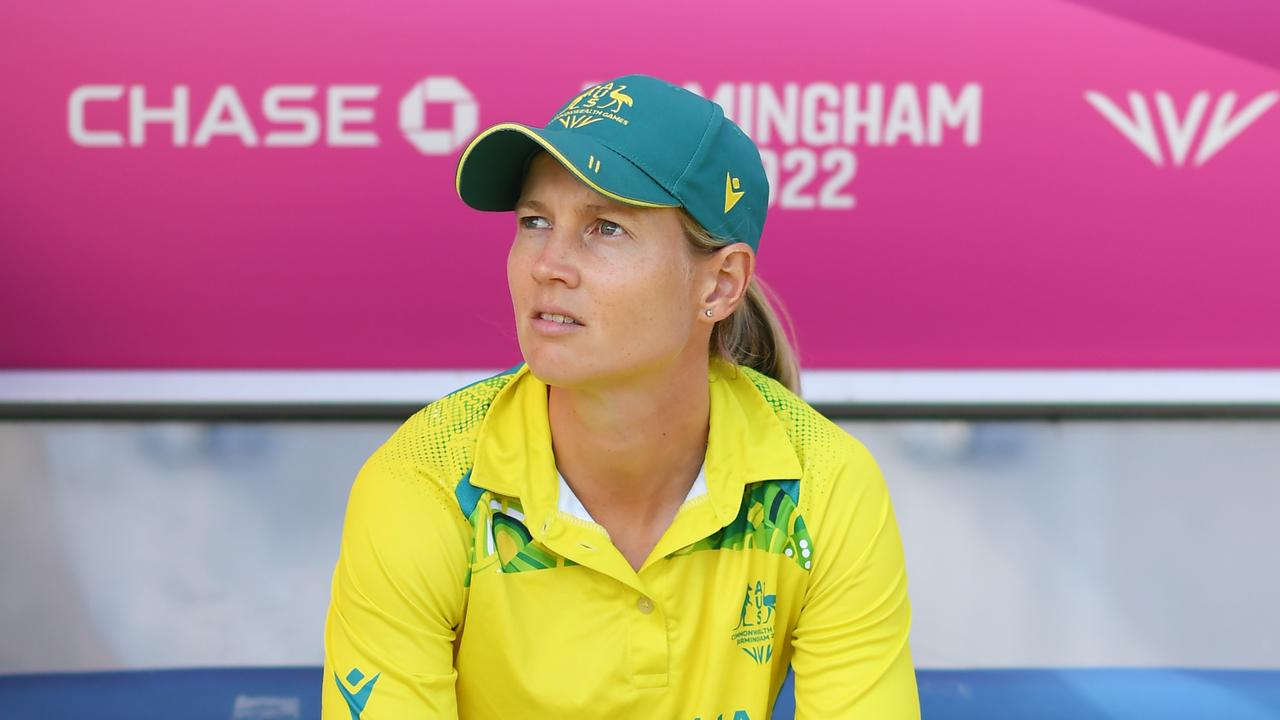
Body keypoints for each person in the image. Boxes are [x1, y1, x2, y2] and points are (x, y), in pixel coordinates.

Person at [322, 73, 919, 719]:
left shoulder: (827, 483)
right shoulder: (423, 481)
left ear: (720, 285)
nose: (548, 262)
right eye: (534, 220)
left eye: (605, 227)